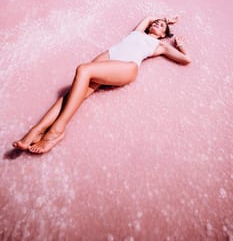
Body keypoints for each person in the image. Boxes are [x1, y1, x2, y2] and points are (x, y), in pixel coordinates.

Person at [13, 15, 191, 154]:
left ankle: (56, 131)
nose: (157, 24)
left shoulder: (160, 45)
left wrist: (180, 45)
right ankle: (37, 130)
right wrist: (166, 20)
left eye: (161, 26)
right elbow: (149, 17)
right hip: (109, 56)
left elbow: (186, 60)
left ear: (164, 35)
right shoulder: (138, 32)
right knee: (72, 95)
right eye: (157, 23)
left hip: (126, 67)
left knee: (83, 70)